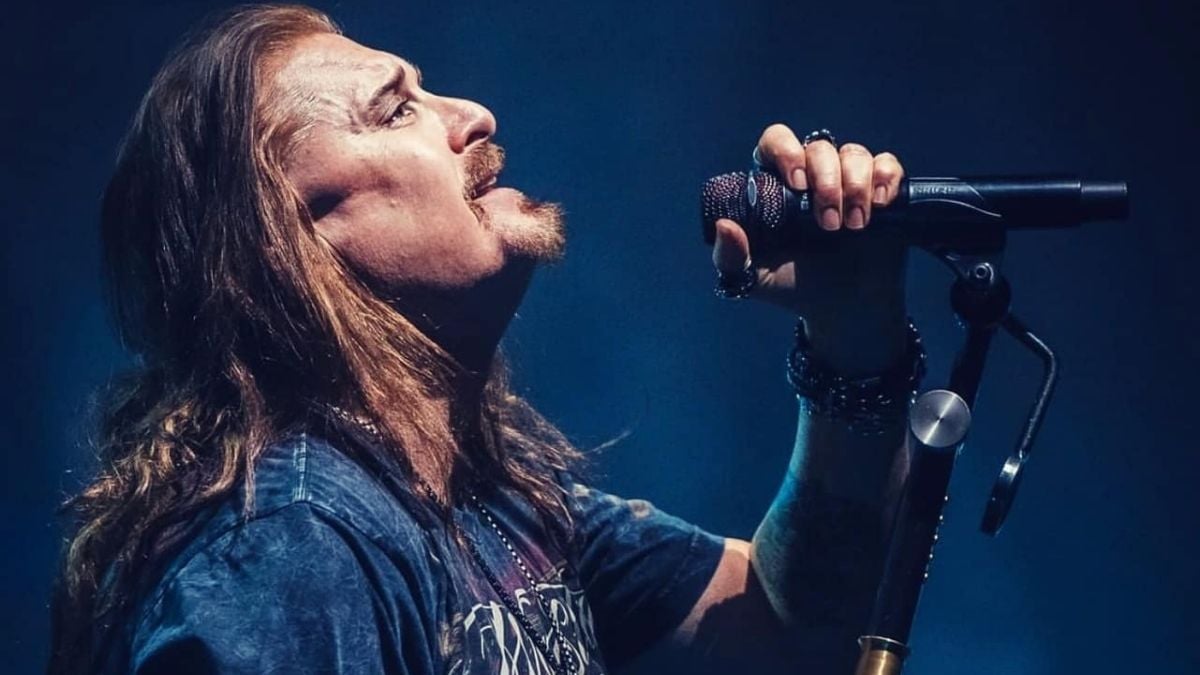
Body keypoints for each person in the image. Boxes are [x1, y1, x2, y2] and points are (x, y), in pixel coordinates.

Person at [48, 5, 916, 674]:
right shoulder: (287, 552)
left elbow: (792, 621)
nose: (473, 115)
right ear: (281, 242)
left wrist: (852, 335)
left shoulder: (482, 498)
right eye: (396, 110)